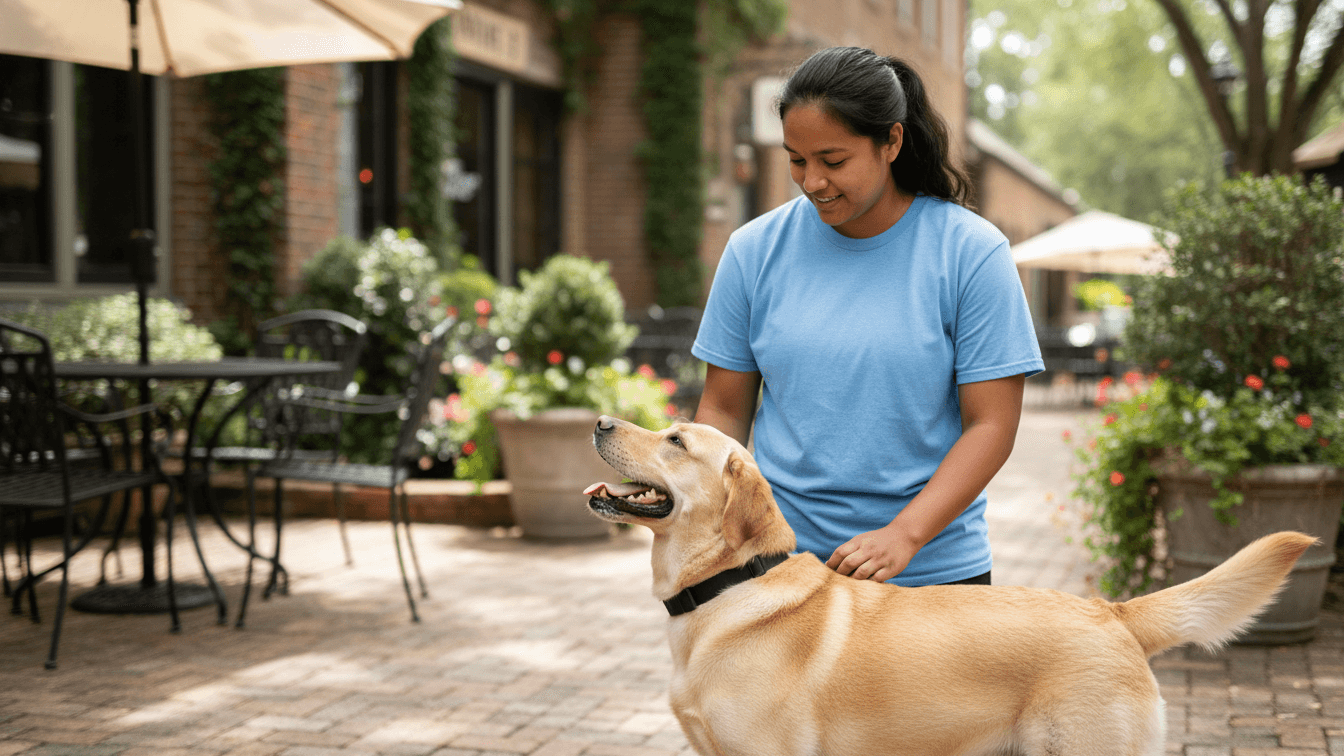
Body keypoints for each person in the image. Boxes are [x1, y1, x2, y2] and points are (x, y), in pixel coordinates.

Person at [691, 46, 1044, 587]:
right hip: (782, 572)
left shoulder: (971, 252)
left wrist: (905, 534)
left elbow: (991, 424)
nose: (812, 182)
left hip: (931, 578)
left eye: (833, 161)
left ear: (892, 142)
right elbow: (723, 406)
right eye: (796, 159)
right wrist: (699, 513)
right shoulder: (752, 251)